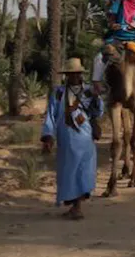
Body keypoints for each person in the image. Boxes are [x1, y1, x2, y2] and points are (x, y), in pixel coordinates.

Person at [42, 58, 105, 220]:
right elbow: (51, 115)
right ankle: (75, 206)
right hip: (65, 137)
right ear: (67, 75)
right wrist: (48, 136)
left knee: (82, 170)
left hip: (84, 136)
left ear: (81, 74)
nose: (75, 76)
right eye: (71, 74)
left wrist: (96, 98)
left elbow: (99, 112)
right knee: (68, 171)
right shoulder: (58, 92)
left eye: (77, 73)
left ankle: (77, 207)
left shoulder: (89, 91)